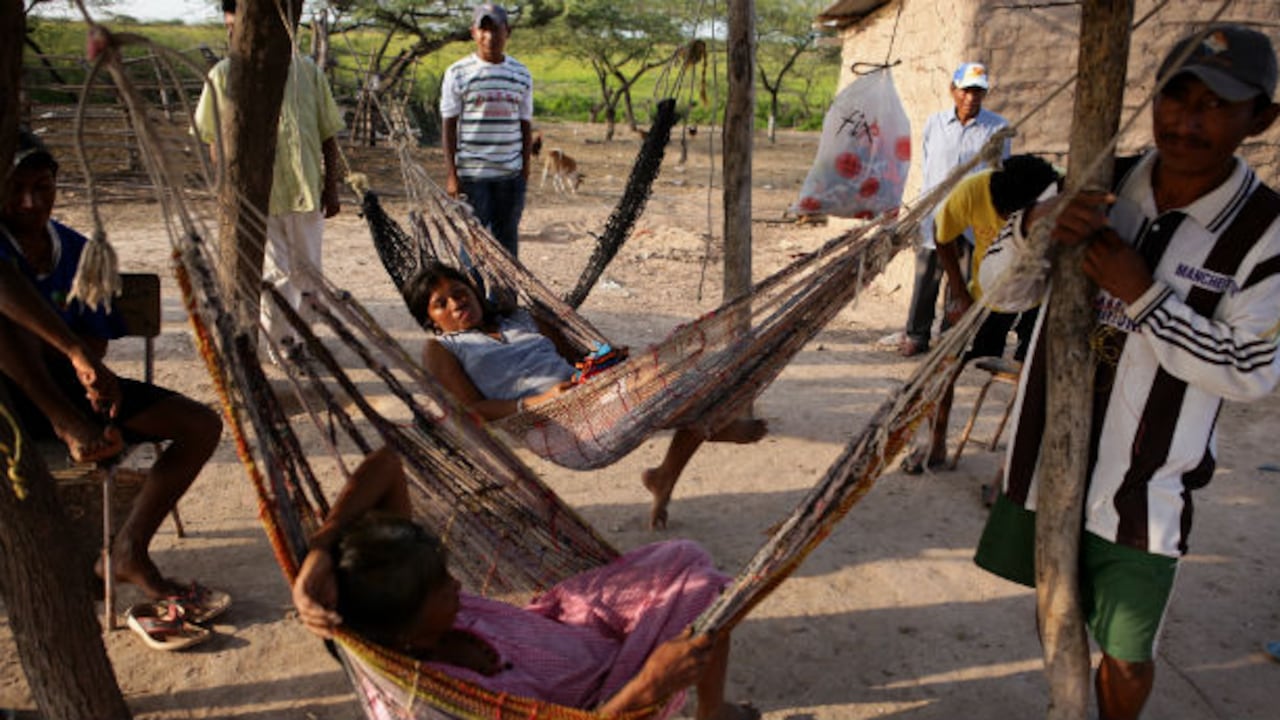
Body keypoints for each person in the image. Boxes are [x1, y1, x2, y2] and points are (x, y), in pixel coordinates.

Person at [974, 25, 1280, 720]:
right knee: (1057, 611)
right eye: (1177, 96)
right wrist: (1037, 226)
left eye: (1216, 104)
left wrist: (1143, 296)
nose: (1188, 120)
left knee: (1128, 650)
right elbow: (998, 292)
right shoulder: (1098, 176)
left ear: (1260, 119)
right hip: (1047, 457)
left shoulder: (1266, 233)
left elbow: (1251, 370)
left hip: (1145, 490)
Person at [292, 446, 757, 720]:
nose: (457, 586)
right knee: (706, 593)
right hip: (607, 699)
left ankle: (710, 711)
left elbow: (388, 465)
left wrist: (321, 546)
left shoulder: (393, 601)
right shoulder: (429, 704)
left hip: (571, 624)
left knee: (683, 556)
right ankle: (710, 715)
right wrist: (651, 687)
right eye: (440, 588)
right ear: (405, 636)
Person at [0, 130, 229, 617]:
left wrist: (94, 390)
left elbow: (94, 341)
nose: (28, 202)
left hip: (68, 388)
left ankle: (126, 549)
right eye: (14, 188)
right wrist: (74, 357)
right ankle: (67, 425)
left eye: (42, 188)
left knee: (201, 425)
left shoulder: (81, 251)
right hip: (10, 405)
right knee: (8, 325)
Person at [404, 263, 767, 530]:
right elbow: (469, 410)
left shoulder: (523, 319)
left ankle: (667, 472)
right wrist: (537, 402)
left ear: (473, 291)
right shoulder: (442, 348)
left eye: (459, 292)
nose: (455, 303)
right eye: (441, 304)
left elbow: (573, 359)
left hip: (589, 395)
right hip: (553, 424)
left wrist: (605, 363)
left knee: (688, 373)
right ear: (432, 319)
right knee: (682, 383)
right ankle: (712, 427)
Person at [194, 0, 345, 357]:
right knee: (276, 275)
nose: (238, 34)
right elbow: (214, 138)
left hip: (305, 190)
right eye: (232, 29)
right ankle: (283, 345)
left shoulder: (306, 72)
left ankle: (303, 340)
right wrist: (224, 188)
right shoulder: (224, 75)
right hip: (257, 196)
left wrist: (332, 185)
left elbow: (327, 134)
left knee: (309, 274)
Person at [900, 154, 1060, 474]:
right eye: (1004, 218)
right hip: (985, 297)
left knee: (1037, 384)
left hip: (1041, 301)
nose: (1009, 228)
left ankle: (1010, 473)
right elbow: (942, 234)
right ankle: (935, 444)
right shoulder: (974, 190)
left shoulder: (1060, 196)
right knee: (943, 368)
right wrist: (959, 294)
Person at [899, 62, 1011, 358]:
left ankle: (949, 338)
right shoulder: (935, 123)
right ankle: (916, 334)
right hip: (934, 216)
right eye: (966, 90)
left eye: (978, 91)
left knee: (961, 281)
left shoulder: (997, 128)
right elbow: (928, 164)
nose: (971, 97)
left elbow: (999, 172)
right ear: (953, 90)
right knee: (926, 278)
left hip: (971, 220)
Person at [441, 3, 534, 259]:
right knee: (474, 245)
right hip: (473, 176)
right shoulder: (457, 73)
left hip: (510, 175)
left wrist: (524, 169)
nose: (490, 36)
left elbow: (525, 124)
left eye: (497, 29)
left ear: (508, 31)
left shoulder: (521, 74)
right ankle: (475, 297)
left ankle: (506, 299)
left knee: (507, 243)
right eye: (484, 30)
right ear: (473, 33)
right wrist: (452, 175)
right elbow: (449, 125)